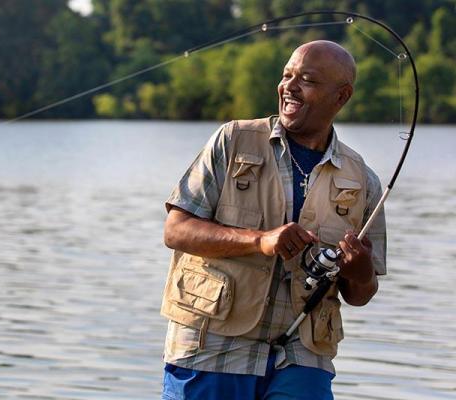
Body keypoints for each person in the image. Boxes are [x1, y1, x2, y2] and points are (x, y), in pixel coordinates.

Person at [159, 40, 386, 400]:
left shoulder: (364, 181)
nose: (289, 87)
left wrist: (360, 273)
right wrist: (259, 240)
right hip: (213, 349)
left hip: (303, 358)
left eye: (307, 80)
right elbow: (176, 230)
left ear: (341, 96)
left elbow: (360, 294)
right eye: (287, 75)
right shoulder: (232, 140)